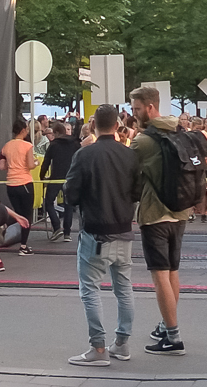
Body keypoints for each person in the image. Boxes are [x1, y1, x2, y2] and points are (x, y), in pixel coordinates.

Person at [63, 104, 142, 367]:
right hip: (123, 228)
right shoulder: (130, 155)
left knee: (90, 289)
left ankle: (98, 348)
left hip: (95, 231)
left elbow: (71, 193)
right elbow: (137, 191)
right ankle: (122, 343)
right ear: (118, 125)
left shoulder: (85, 155)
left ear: (94, 124)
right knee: (124, 288)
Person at [129, 86, 188, 356]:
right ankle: (166, 326)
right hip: (180, 212)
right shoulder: (180, 131)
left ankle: (172, 337)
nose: (134, 113)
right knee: (172, 272)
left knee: (159, 276)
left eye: (137, 108)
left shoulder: (143, 141)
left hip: (154, 214)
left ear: (150, 107)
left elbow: (132, 177)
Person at [0, 118, 37, 256]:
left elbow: (2, 166)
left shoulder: (6, 146)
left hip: (11, 184)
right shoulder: (27, 146)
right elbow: (31, 165)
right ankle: (23, 246)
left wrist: (13, 163)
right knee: (26, 215)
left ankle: (5, 224)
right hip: (25, 182)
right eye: (27, 128)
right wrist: (37, 162)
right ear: (23, 130)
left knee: (17, 213)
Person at [40, 119, 80, 241]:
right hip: (70, 177)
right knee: (68, 204)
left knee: (48, 202)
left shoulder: (54, 145)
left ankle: (56, 227)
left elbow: (46, 162)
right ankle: (67, 233)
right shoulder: (75, 143)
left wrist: (42, 177)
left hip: (55, 177)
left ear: (57, 133)